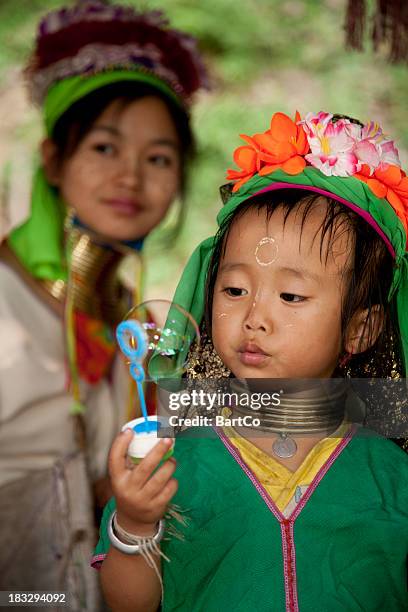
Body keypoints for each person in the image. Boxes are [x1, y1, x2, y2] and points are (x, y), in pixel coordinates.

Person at [93, 111, 408, 611]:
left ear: (360, 328)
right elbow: (129, 604)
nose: (254, 317)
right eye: (235, 289)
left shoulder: (393, 480)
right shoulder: (174, 461)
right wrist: (135, 523)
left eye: (291, 296)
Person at [0, 0, 207, 608]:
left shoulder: (137, 330)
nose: (131, 178)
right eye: (104, 148)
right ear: (54, 160)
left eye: (159, 158)